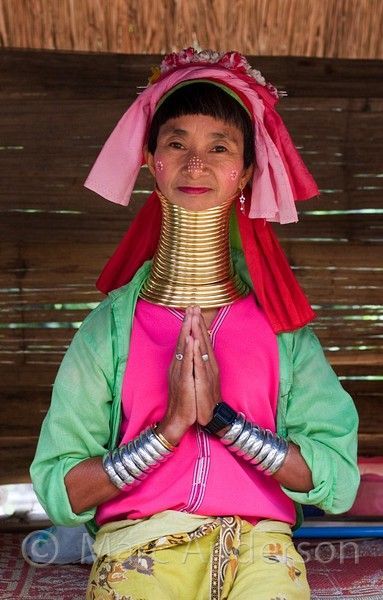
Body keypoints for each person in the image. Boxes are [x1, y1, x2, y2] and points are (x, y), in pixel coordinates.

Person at [31, 48, 359, 600]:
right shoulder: (108, 331)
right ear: (150, 160)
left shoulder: (283, 333)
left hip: (260, 547)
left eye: (219, 148)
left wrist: (227, 423)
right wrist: (169, 431)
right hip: (138, 544)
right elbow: (61, 489)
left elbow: (337, 477)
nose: (195, 164)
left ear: (246, 173)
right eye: (177, 143)